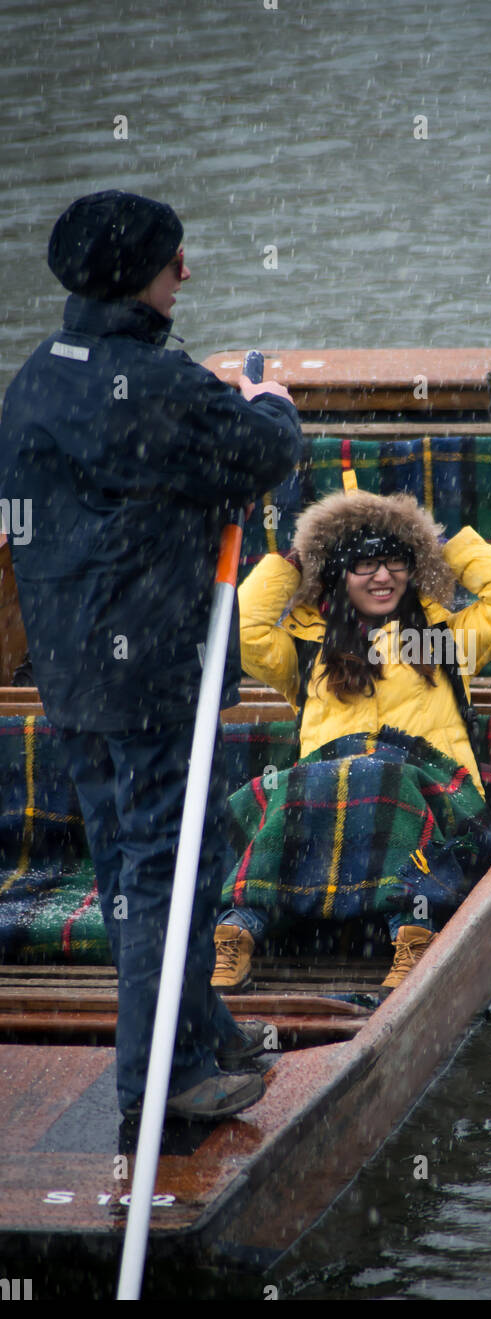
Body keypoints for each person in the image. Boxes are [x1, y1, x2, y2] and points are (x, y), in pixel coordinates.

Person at [0, 190, 303, 1120]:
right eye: (176, 258)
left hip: (70, 677)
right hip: (157, 679)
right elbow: (263, 455)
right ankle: (157, 1091)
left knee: (131, 865)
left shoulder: (36, 377)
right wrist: (269, 403)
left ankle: (202, 1030)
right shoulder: (167, 388)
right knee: (167, 879)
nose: (188, 270)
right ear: (142, 274)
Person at [211, 486, 491, 992]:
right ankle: (236, 932)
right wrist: (295, 561)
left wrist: (440, 542)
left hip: (429, 796)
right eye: (364, 564)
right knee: (304, 788)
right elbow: (240, 628)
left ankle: (412, 934)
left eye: (395, 562)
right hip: (326, 800)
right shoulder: (306, 652)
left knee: (379, 776)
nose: (383, 576)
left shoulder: (447, 639)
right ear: (339, 575)